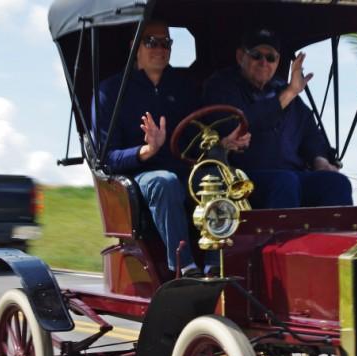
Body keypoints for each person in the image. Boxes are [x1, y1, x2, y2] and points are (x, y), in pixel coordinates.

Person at [93, 21, 248, 277]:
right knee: (164, 182)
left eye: (166, 42)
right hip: (139, 176)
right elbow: (107, 159)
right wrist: (146, 151)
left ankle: (216, 263)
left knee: (219, 179)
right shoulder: (110, 92)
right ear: (135, 47)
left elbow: (197, 137)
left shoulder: (184, 86)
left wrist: (223, 143)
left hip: (182, 169)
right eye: (151, 42)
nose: (160, 48)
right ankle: (183, 267)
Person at [203, 28, 352, 209]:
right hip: (244, 179)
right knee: (285, 182)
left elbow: (310, 134)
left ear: (278, 61)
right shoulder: (221, 86)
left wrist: (319, 160)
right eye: (256, 55)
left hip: (292, 176)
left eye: (271, 58)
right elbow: (241, 123)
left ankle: (338, 238)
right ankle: (285, 239)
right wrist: (289, 93)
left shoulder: (283, 90)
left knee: (337, 183)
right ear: (240, 56)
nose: (264, 62)